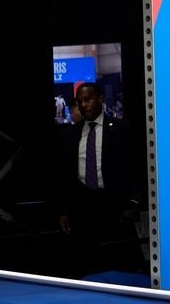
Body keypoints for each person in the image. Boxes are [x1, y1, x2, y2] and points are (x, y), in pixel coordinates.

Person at [54, 82, 144, 277]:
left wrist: (134, 202)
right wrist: (62, 210)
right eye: (80, 102)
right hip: (81, 206)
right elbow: (62, 175)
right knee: (85, 264)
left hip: (114, 206)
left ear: (101, 99)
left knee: (117, 265)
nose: (83, 105)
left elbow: (135, 168)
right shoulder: (70, 134)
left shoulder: (122, 129)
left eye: (88, 99)